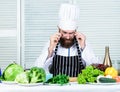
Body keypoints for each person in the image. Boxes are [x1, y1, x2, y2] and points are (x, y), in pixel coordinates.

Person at [35, 3, 100, 77]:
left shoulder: (82, 43)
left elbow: (96, 67)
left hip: (78, 86)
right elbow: (38, 68)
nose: (68, 37)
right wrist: (50, 49)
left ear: (75, 31)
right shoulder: (51, 43)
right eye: (65, 32)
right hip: (56, 86)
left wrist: (84, 46)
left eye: (71, 33)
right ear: (59, 29)